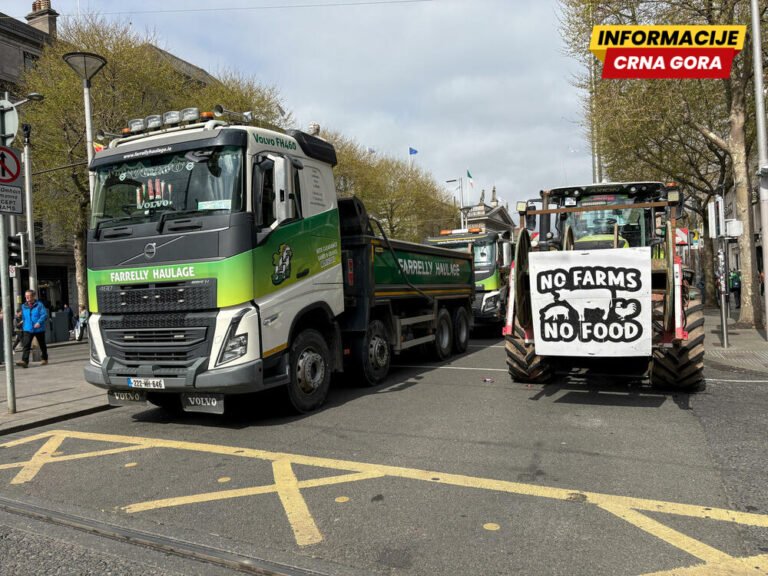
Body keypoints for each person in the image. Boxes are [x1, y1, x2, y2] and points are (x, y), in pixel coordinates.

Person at [16, 289, 49, 368]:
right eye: (26, 296)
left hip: (39, 329)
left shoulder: (39, 305)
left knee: (42, 345)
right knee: (26, 345)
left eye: (29, 296)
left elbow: (44, 315)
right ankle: (25, 361)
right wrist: (21, 320)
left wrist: (39, 322)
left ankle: (44, 359)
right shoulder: (24, 306)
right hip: (28, 328)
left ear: (33, 296)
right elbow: (24, 317)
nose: (27, 297)